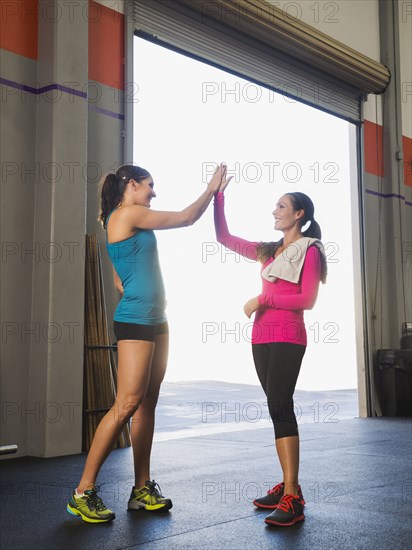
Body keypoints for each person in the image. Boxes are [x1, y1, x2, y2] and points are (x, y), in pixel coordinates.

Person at [67, 162, 227, 523]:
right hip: (137, 320)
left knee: (147, 402)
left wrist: (135, 284)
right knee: (126, 404)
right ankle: (82, 492)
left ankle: (141, 488)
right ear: (132, 185)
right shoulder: (127, 214)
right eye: (150, 185)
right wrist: (211, 190)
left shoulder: (120, 219)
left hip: (156, 318)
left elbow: (120, 277)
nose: (154, 192)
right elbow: (186, 218)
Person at [214, 179, 327, 527]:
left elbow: (306, 300)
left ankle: (293, 495)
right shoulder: (269, 250)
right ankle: (288, 487)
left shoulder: (310, 250)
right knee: (275, 407)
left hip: (289, 335)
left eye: (281, 206)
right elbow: (225, 238)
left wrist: (263, 298)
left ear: (298, 214)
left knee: (281, 405)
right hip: (261, 336)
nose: (274, 212)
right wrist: (218, 197)